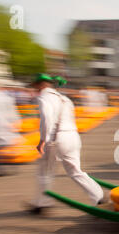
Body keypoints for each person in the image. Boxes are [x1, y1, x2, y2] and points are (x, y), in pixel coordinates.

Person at [28, 73, 104, 214]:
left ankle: (41, 203)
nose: (35, 89)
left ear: (41, 85)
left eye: (35, 86)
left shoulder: (44, 98)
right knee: (76, 171)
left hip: (57, 138)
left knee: (44, 172)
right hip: (73, 136)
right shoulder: (65, 99)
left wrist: (42, 140)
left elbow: (46, 119)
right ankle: (98, 197)